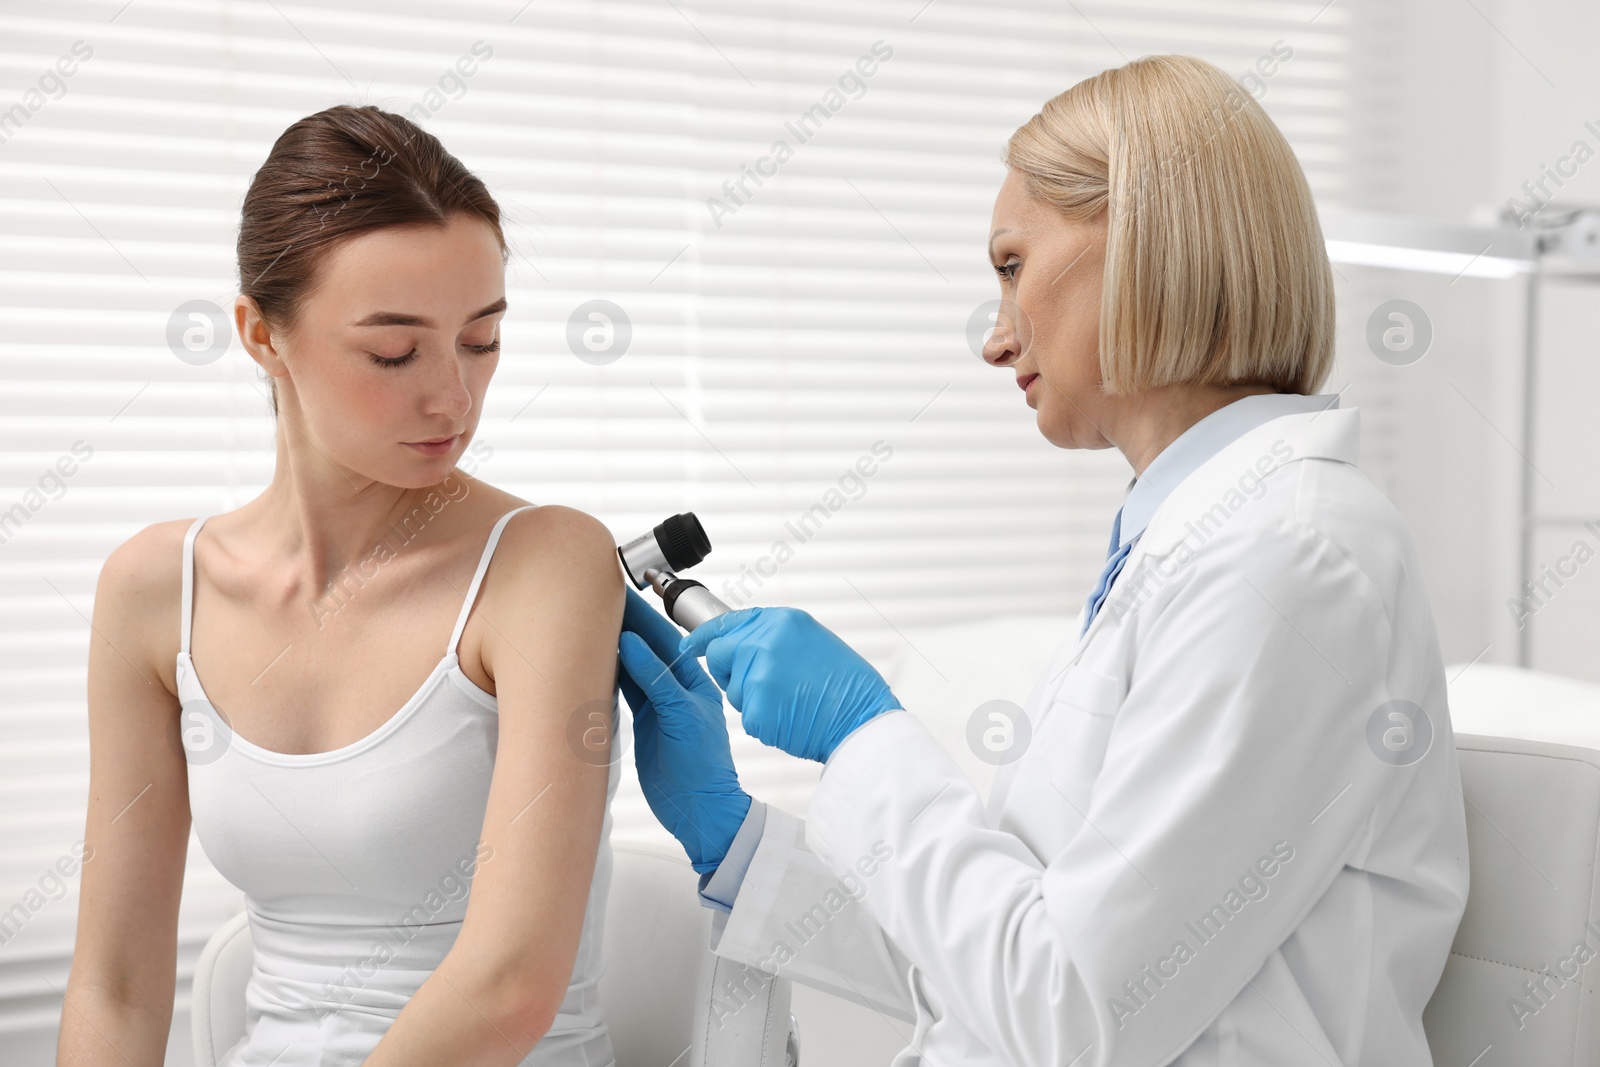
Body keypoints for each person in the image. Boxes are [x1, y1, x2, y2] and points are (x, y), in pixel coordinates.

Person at [618, 55, 1470, 1065]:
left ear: (1147, 237)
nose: (994, 336)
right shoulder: (1192, 542)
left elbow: (1077, 1010)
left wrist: (863, 736)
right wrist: (738, 843)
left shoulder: (1289, 555)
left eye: (1012, 265)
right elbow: (990, 963)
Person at [58, 106, 624, 1067]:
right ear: (259, 335)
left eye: (481, 339)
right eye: (394, 352)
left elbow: (510, 987)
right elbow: (114, 981)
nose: (452, 395)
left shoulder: (545, 565)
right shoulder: (157, 591)